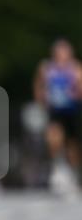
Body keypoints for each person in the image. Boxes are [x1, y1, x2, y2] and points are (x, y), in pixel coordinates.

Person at [33, 37, 82, 195]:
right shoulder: (46, 67)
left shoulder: (75, 68)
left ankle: (73, 173)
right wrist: (41, 101)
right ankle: (57, 166)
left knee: (72, 144)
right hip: (54, 110)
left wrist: (75, 91)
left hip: (71, 110)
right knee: (53, 137)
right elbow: (38, 85)